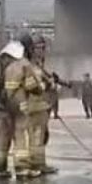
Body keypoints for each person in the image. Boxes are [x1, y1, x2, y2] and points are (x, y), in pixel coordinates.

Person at [4, 35, 47, 180]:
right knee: (23, 137)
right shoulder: (25, 65)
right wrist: (42, 87)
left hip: (10, 105)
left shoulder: (10, 65)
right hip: (22, 105)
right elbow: (31, 86)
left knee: (17, 136)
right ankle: (22, 168)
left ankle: (21, 167)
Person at [0, 41, 26, 179]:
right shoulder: (12, 67)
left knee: (1, 137)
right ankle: (21, 168)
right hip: (10, 107)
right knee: (19, 135)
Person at [27, 34, 58, 176]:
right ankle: (37, 165)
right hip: (35, 107)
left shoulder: (38, 65)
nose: (42, 51)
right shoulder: (32, 67)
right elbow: (37, 86)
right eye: (39, 48)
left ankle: (37, 164)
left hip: (41, 106)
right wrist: (50, 84)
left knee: (40, 137)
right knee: (37, 137)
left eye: (43, 48)